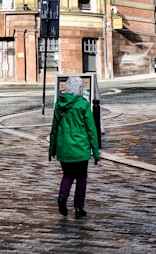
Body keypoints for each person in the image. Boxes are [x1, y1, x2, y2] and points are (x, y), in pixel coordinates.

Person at [48, 75, 100, 218]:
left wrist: (51, 149)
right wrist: (95, 151)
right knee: (81, 178)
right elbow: (91, 130)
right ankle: (78, 208)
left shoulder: (59, 104)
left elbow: (54, 128)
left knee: (68, 175)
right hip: (81, 147)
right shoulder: (83, 105)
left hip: (64, 147)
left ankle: (62, 197)